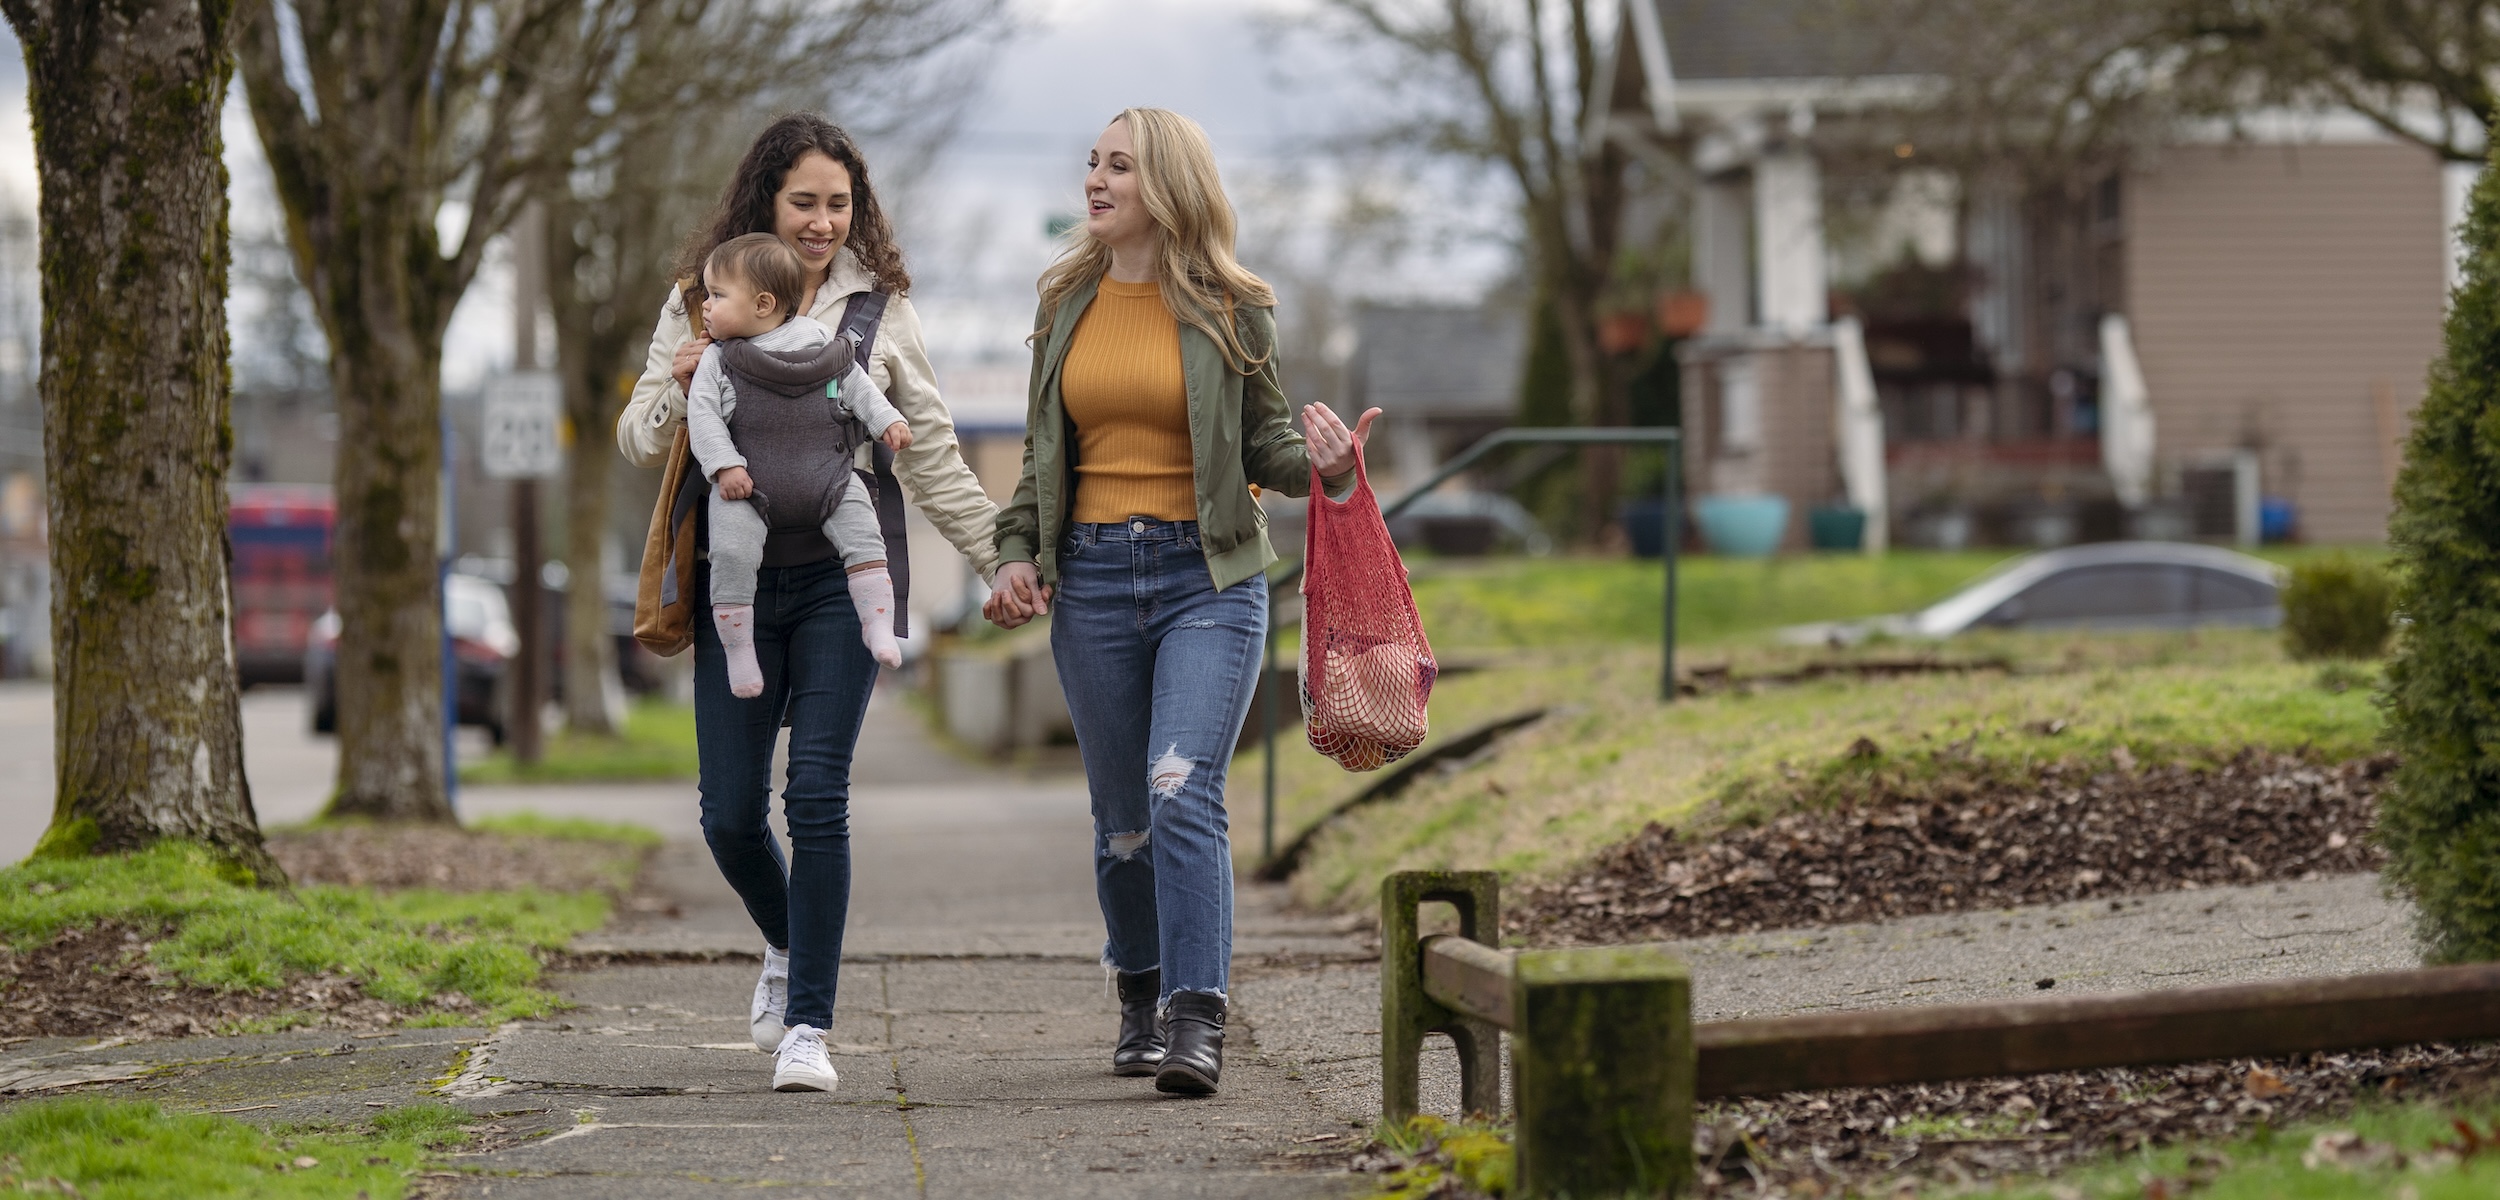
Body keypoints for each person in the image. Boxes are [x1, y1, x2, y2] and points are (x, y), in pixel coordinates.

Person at [984, 107, 1377, 1097]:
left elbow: (1266, 440)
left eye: (1118, 166)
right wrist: (1016, 554)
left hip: (1208, 579)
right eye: (1092, 164)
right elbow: (1041, 456)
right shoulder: (1064, 300)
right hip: (1094, 581)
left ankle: (1196, 1016)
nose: (1095, 181)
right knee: (1122, 817)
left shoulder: (1232, 304)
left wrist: (1327, 465)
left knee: (1178, 786)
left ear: (1166, 184)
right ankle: (1139, 995)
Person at [618, 113, 1000, 1094]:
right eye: (805, 203)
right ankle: (789, 944)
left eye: (840, 204)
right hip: (734, 585)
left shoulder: (879, 317)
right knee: (731, 816)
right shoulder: (700, 298)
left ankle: (808, 1027)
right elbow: (635, 437)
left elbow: (938, 462)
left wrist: (1002, 562)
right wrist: (682, 375)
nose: (824, 222)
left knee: (816, 793)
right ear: (765, 202)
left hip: (842, 581)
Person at [686, 232, 914, 691]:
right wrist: (724, 466)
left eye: (716, 296)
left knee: (864, 533)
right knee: (731, 552)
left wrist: (887, 421)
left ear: (763, 303)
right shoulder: (717, 360)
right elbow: (703, 417)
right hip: (749, 491)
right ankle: (740, 652)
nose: (705, 306)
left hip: (827, 482)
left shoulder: (825, 347)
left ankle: (876, 624)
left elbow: (859, 389)